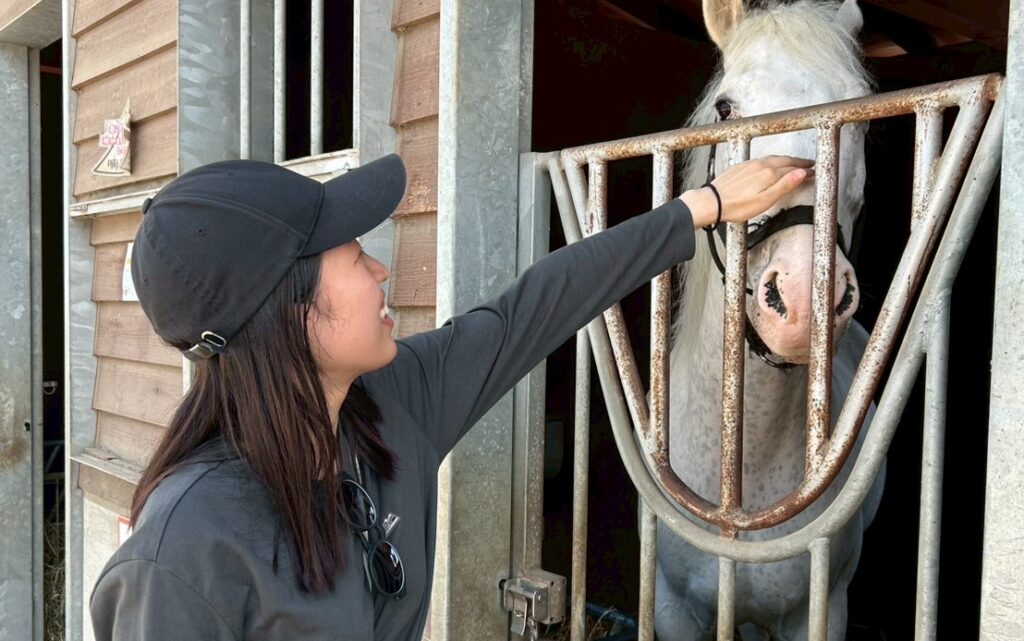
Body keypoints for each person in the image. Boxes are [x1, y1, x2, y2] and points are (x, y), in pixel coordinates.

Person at [89, 151, 814, 641]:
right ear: (285, 308)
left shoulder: (393, 401)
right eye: (350, 255)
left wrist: (700, 208)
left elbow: (534, 306)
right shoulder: (181, 555)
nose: (378, 269)